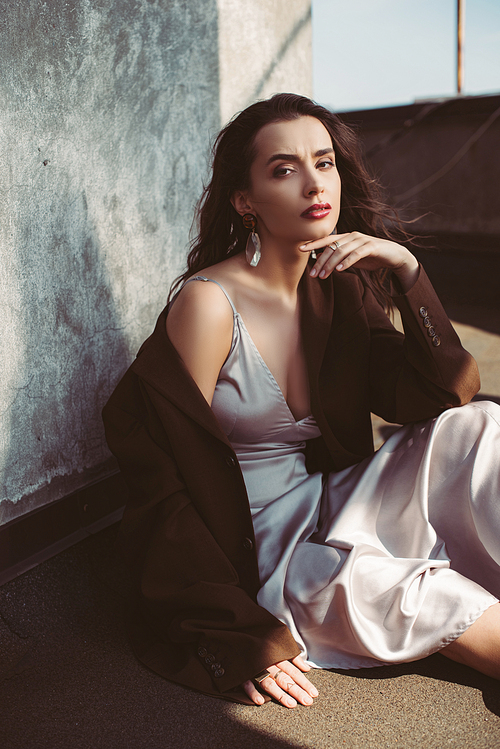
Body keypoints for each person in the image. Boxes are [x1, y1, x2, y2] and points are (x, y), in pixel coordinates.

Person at [102, 93, 500, 708]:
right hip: (260, 545)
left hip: (333, 497)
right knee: (409, 593)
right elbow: (162, 475)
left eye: (325, 162)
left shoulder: (336, 285)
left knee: (479, 426)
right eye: (285, 169)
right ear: (245, 200)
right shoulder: (208, 305)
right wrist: (225, 626)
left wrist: (408, 274)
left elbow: (440, 391)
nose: (315, 183)